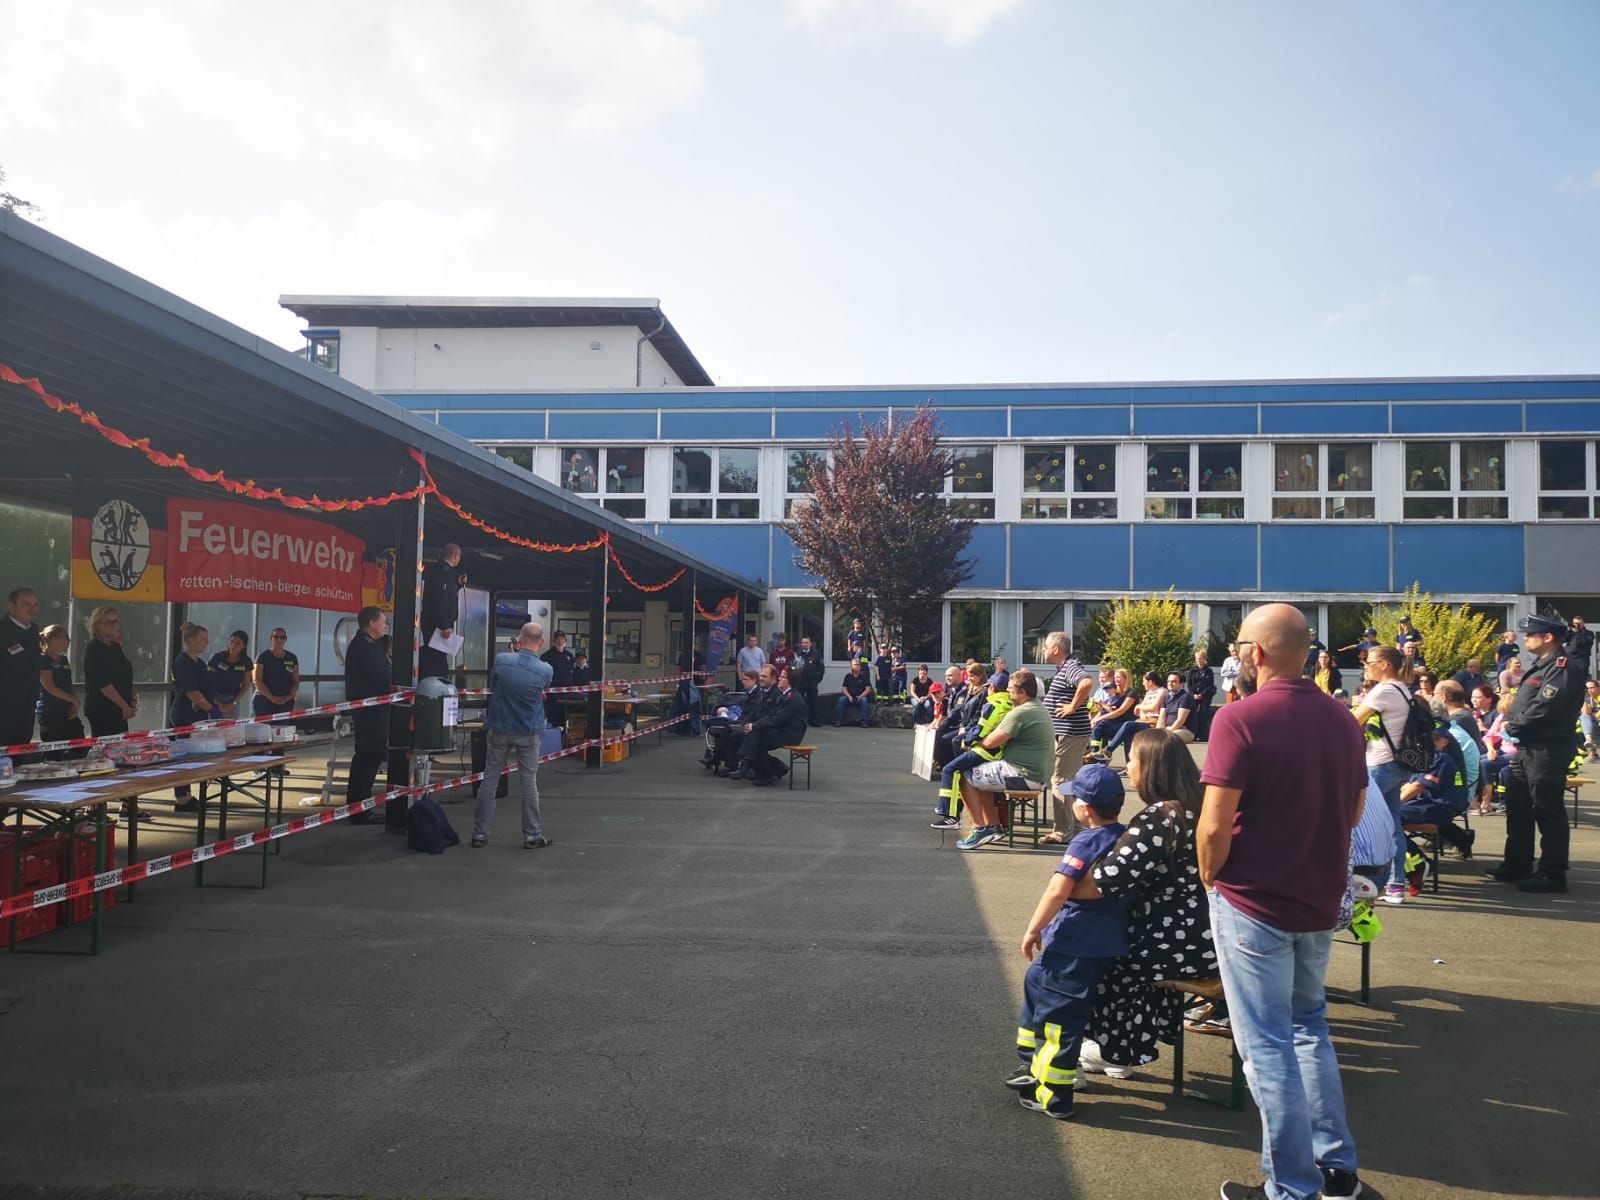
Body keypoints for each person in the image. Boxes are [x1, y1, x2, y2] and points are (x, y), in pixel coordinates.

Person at [1197, 603, 1366, 1200]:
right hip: (1316, 899)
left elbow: (1214, 825)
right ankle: (1335, 1167)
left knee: (1266, 1043)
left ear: (1257, 652)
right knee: (1307, 1028)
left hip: (1253, 900)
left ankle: (1290, 1187)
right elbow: (1354, 811)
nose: (1235, 653)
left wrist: (1210, 877)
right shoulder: (1343, 719)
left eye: (1240, 643)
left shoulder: (1239, 719)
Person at [1075, 728, 1216, 1077]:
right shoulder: (1198, 808)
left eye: (1133, 758)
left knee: (1099, 952)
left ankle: (1116, 1048)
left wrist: (1061, 888)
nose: (1129, 765)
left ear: (1152, 767)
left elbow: (1105, 881)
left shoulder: (1159, 818)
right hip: (1205, 933)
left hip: (1169, 938)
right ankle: (1121, 1045)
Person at [1004, 762, 1129, 1120]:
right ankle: (1032, 1063)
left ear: (1084, 808)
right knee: (1036, 982)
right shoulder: (1123, 836)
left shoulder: (1086, 840)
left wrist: (1033, 928)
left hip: (1074, 940)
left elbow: (1059, 888)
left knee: (1059, 1017)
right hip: (1103, 941)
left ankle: (1054, 1094)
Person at [1484, 613, 1587, 893]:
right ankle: (1517, 864)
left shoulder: (1562, 667)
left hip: (1547, 747)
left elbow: (1546, 708)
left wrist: (1513, 724)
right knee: (1518, 805)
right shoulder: (1543, 665)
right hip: (1527, 747)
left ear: (1548, 638)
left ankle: (1553, 873)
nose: (1525, 638)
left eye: (1531, 634)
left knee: (1546, 809)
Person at [470, 621, 554, 849]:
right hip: (528, 730)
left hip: (499, 728)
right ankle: (532, 835)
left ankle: (480, 833)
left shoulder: (502, 660)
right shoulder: (546, 669)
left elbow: (495, 684)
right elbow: (543, 689)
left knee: (489, 780)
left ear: (519, 639)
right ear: (542, 642)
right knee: (529, 783)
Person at [955, 669, 1055, 849]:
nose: (1007, 693)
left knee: (964, 776)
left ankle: (979, 829)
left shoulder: (1021, 712)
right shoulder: (1037, 707)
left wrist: (973, 741)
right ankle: (993, 827)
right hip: (1037, 773)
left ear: (1022, 692)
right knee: (982, 775)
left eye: (1010, 690)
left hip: (1024, 774)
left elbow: (992, 742)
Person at [1351, 646, 1416, 904]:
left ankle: (1363, 880)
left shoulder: (1385, 690)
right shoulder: (1404, 689)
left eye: (1370, 662)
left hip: (1379, 763)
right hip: (1397, 764)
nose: (1366, 666)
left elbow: (1352, 722)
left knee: (1362, 822)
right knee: (1392, 825)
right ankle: (1396, 884)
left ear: (1385, 665)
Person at [1040, 632, 1093, 845]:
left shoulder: (1070, 666)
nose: (1043, 650)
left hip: (1070, 734)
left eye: (1045, 646)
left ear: (1056, 649)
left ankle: (1062, 831)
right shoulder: (1065, 667)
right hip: (1069, 734)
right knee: (1069, 781)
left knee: (1060, 781)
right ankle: (1076, 826)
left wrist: (1072, 706)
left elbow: (1087, 682)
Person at [1399, 719, 1475, 863]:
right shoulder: (1426, 757)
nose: (1431, 742)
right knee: (1393, 812)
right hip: (1431, 802)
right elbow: (1409, 785)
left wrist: (1394, 803)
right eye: (1427, 738)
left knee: (1391, 817)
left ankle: (1418, 861)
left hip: (1442, 806)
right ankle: (1460, 837)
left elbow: (1418, 786)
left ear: (1445, 742)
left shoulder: (1440, 758)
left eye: (1436, 739)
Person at [344, 606, 394, 824]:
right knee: (367, 758)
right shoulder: (364, 647)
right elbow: (381, 678)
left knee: (370, 758)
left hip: (375, 710)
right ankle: (359, 809)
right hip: (370, 712)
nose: (386, 625)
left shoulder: (371, 645)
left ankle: (360, 806)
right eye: (383, 621)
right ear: (372, 623)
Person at [169, 623, 216, 814]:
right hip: (185, 713)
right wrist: (211, 708)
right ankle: (182, 797)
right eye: (203, 639)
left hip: (198, 714)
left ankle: (188, 794)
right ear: (191, 641)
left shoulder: (199, 662)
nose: (207, 642)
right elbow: (191, 692)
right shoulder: (183, 662)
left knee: (192, 755)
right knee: (183, 756)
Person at [734, 665, 807, 785]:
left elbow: (777, 719)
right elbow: (771, 715)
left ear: (790, 681)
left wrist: (754, 726)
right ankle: (772, 769)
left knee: (757, 738)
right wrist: (754, 725)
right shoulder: (784, 695)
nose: (779, 679)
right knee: (754, 737)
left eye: (783, 677)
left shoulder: (792, 698)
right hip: (782, 729)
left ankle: (759, 770)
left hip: (790, 733)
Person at [0, 587, 42, 747]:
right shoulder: (2, 631)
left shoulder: (33, 630)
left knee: (21, 750)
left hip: (27, 706)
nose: (33, 610)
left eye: (35, 605)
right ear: (11, 606)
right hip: (4, 708)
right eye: (27, 604)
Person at [419, 543, 464, 680]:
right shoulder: (443, 572)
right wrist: (444, 625)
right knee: (436, 660)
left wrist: (458, 585)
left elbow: (446, 594)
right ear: (456, 556)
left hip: (436, 623)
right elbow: (440, 599)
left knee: (439, 659)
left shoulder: (444, 573)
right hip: (437, 626)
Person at [36, 624, 82, 754]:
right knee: (54, 752)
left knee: (79, 747)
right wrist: (74, 701)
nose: (69, 641)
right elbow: (50, 687)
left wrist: (74, 703)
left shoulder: (63, 659)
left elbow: (69, 682)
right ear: (55, 639)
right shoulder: (43, 659)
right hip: (51, 712)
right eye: (65, 637)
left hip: (67, 711)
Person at [251, 628, 300, 718]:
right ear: (271, 639)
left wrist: (289, 697)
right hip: (264, 700)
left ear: (286, 639)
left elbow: (296, 680)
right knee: (264, 729)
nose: (279, 640)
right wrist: (272, 698)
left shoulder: (292, 657)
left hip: (285, 702)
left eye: (282, 637)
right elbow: (257, 680)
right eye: (276, 637)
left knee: (283, 730)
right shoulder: (262, 656)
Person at [208, 630, 252, 719]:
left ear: (243, 646)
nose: (233, 645)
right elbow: (207, 677)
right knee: (212, 728)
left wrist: (233, 703)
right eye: (231, 641)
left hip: (232, 698)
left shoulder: (246, 662)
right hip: (214, 696)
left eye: (237, 643)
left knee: (230, 730)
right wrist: (213, 699)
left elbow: (246, 684)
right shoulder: (218, 657)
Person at [541, 630, 576, 726]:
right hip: (553, 692)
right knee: (553, 716)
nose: (560, 641)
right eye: (557, 639)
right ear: (554, 640)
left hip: (567, 692)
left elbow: (571, 673)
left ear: (565, 640)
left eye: (562, 638)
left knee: (566, 716)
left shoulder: (569, 656)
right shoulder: (547, 656)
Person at [1155, 670, 1195, 744]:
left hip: (1184, 730)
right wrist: (1158, 733)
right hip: (1168, 729)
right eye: (1168, 681)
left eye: (1174, 681)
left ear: (1182, 684)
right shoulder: (1166, 698)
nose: (1170, 683)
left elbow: (1181, 720)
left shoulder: (1185, 697)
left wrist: (1168, 731)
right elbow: (1161, 718)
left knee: (1169, 738)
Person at [794, 635, 824, 726]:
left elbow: (821, 668)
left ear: (810, 644)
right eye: (803, 643)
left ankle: (814, 720)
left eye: (807, 643)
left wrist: (817, 679)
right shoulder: (797, 653)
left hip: (812, 682)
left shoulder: (816, 653)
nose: (805, 644)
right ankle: (800, 720)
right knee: (800, 702)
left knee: (813, 701)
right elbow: (794, 667)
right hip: (800, 682)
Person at [1187, 649, 1217, 739]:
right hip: (1194, 695)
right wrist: (1193, 695)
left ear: (1204, 659)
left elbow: (1210, 685)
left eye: (1200, 658)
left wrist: (1202, 695)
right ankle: (1193, 734)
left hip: (1205, 696)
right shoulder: (1192, 671)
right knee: (1193, 715)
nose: (1198, 661)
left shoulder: (1209, 671)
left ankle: (1203, 735)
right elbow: (1189, 685)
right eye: (1196, 659)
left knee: (1203, 715)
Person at [834, 658, 874, 727]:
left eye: (858, 665)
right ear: (851, 666)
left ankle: (864, 721)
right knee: (841, 700)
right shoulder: (848, 676)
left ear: (860, 666)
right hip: (850, 697)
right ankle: (839, 721)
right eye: (854, 665)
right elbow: (844, 688)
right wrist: (849, 696)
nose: (856, 666)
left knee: (864, 700)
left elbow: (868, 689)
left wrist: (861, 696)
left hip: (861, 697)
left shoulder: (864, 676)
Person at [1581, 678, 1599, 762]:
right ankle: (1589, 742)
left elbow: (1598, 715)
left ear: (1598, 688)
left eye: (1592, 687)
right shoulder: (1588, 700)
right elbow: (1586, 713)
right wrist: (1583, 698)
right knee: (1583, 719)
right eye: (1587, 688)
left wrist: (1593, 714)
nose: (1589, 690)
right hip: (1595, 723)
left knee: (1586, 721)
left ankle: (1592, 750)